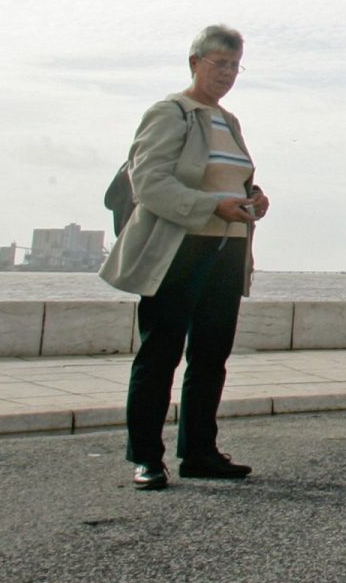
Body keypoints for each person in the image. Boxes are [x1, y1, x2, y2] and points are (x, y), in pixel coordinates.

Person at [100, 25, 268, 490]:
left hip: (227, 249)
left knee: (211, 356)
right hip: (179, 251)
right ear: (195, 63)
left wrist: (252, 195)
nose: (228, 73)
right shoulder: (170, 112)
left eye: (235, 65)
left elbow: (229, 179)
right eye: (219, 64)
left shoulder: (229, 122)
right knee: (161, 353)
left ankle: (199, 451)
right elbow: (149, 182)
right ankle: (146, 458)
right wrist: (212, 204)